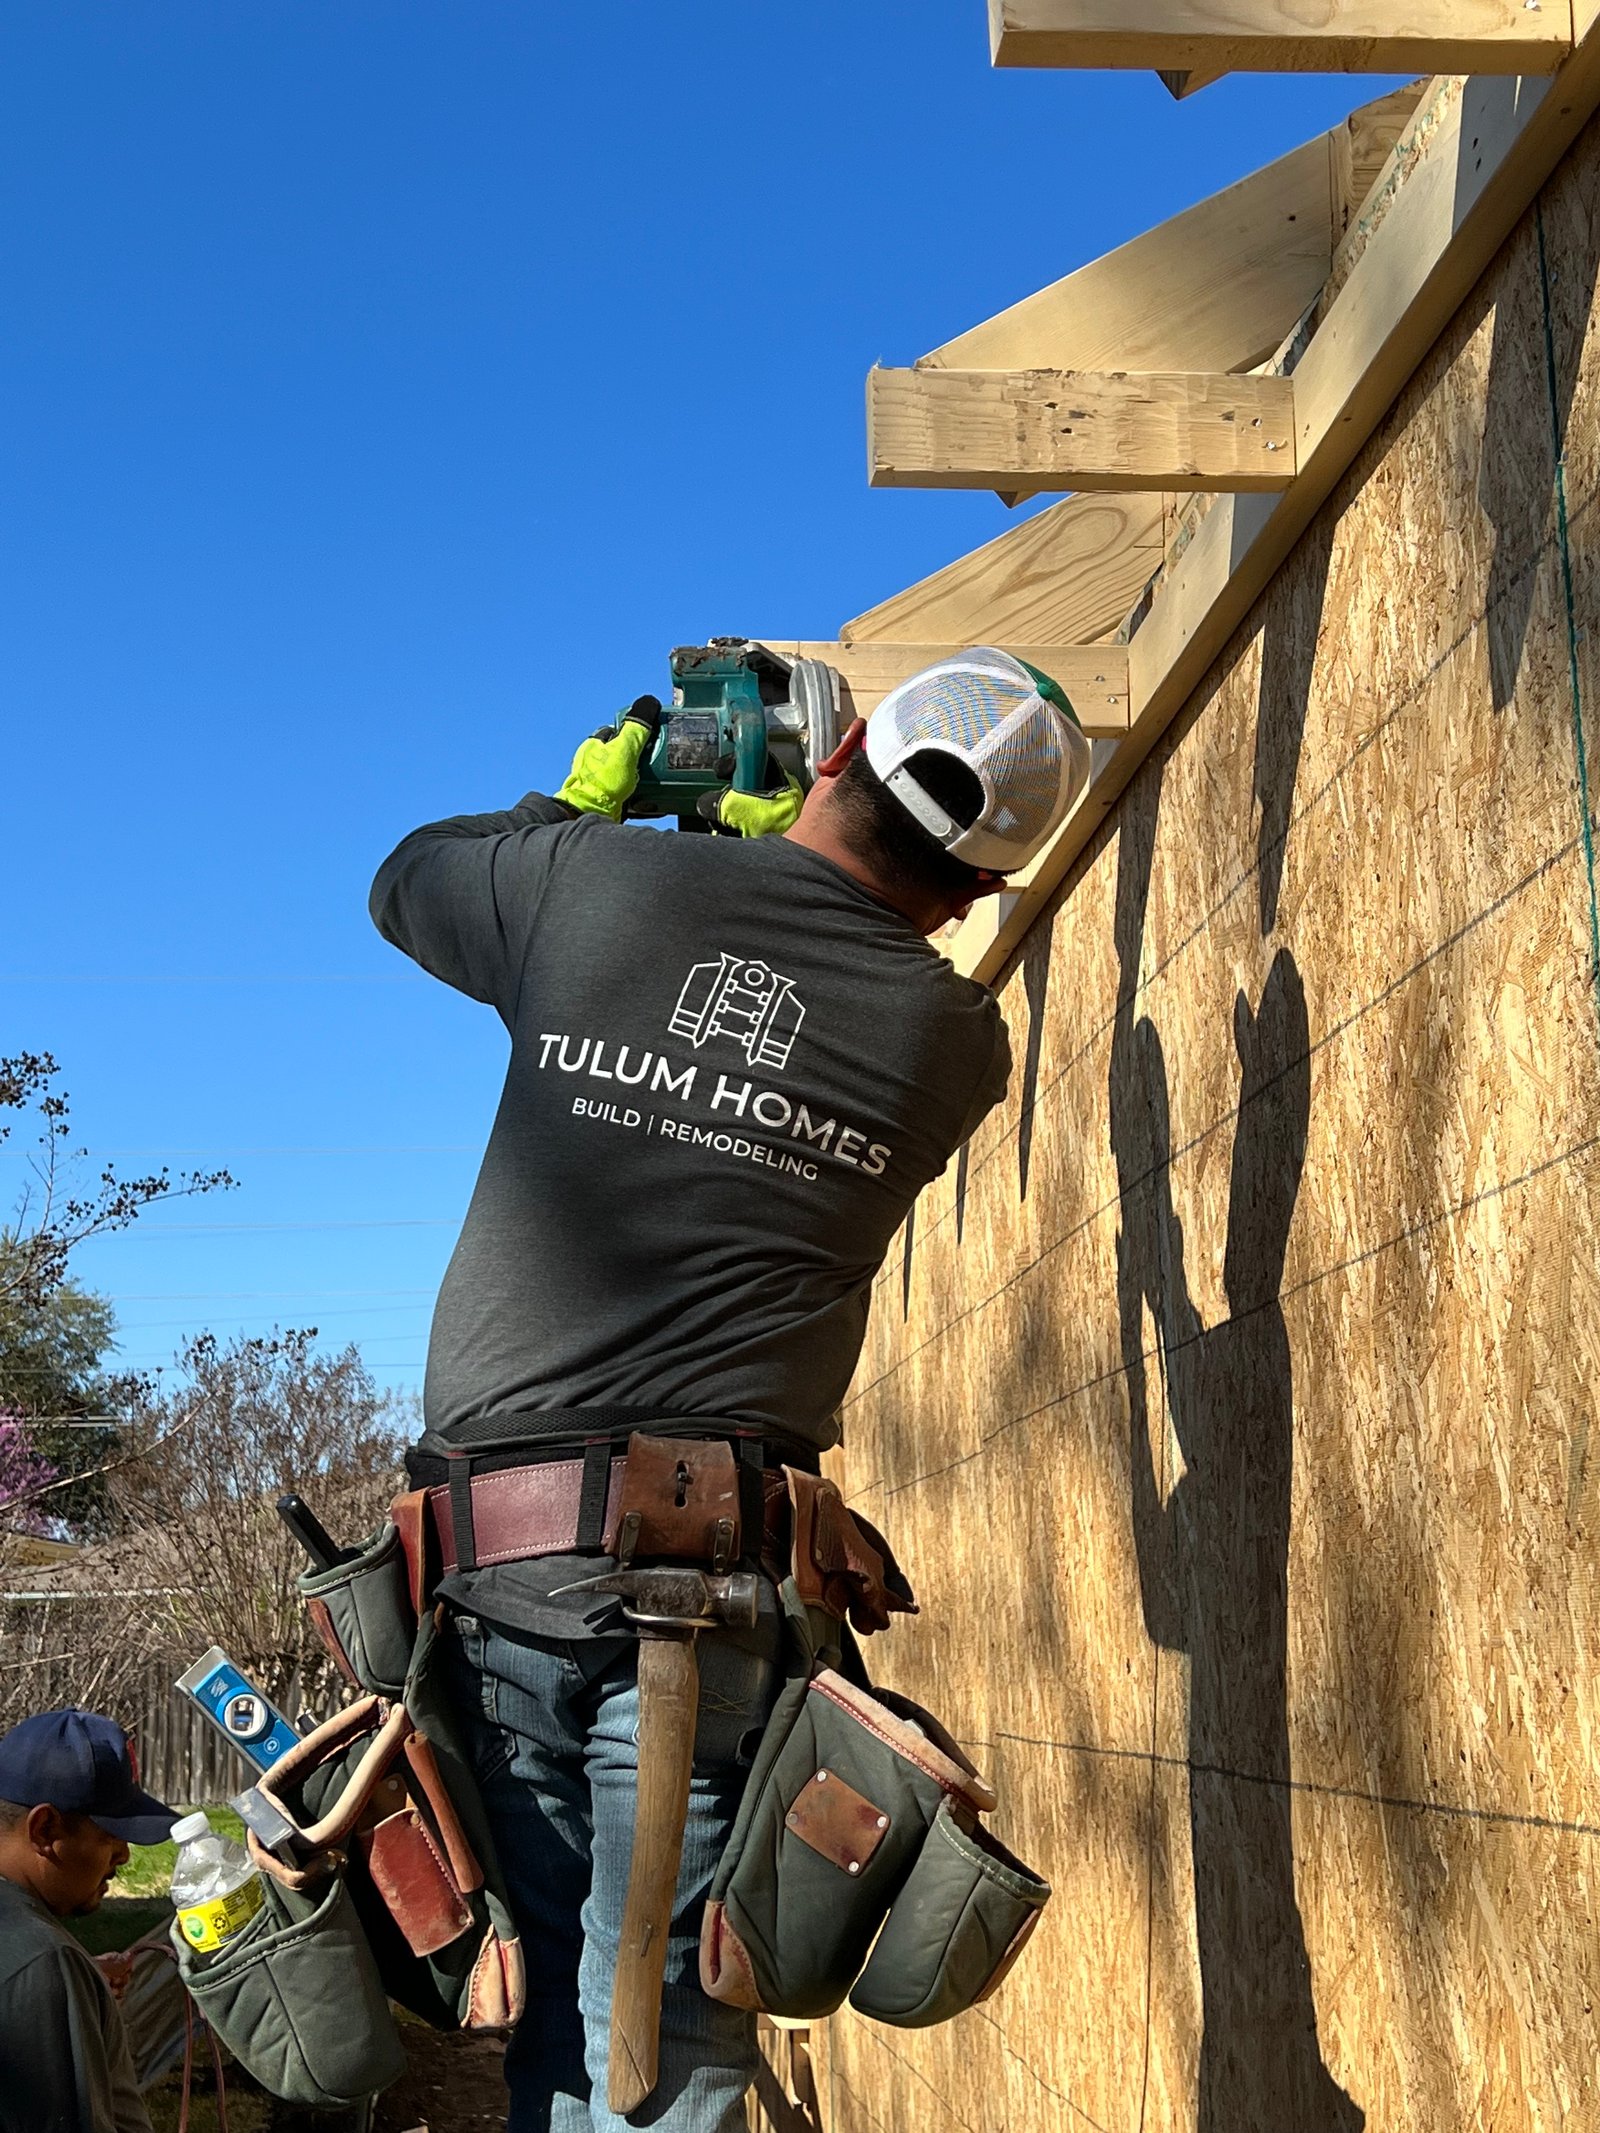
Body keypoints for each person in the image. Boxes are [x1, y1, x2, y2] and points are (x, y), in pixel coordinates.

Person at [369, 649, 1092, 2132]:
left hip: (496, 1581)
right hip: (707, 1610)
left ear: (833, 761)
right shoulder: (955, 1046)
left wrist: (584, 811)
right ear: (980, 892)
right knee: (664, 2049)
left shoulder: (591, 886)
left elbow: (409, 879)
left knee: (565, 2037)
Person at [0, 1708, 179, 2133]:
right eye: (111, 1835)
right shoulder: (45, 1964)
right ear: (44, 1830)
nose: (124, 1857)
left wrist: (75, 1993)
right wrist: (54, 1982)